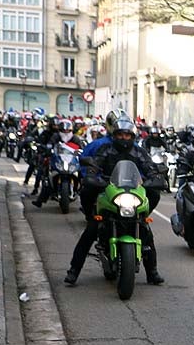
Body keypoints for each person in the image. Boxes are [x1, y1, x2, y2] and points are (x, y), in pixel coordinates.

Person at [64, 117, 166, 286]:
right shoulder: (106, 149)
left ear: (132, 136)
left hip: (132, 192)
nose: (124, 138)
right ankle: (73, 271)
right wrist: (91, 174)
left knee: (145, 228)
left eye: (127, 135)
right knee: (91, 229)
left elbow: (149, 167)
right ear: (114, 134)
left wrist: (155, 177)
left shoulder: (139, 152)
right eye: (120, 134)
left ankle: (152, 272)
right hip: (109, 190)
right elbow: (94, 164)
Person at [32, 119, 84, 208]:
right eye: (64, 130)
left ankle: (85, 204)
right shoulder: (55, 136)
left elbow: (82, 148)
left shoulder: (75, 138)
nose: (66, 131)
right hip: (58, 160)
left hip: (71, 161)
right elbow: (50, 144)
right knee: (46, 177)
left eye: (68, 130)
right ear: (60, 129)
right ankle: (40, 200)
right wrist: (48, 149)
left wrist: (82, 152)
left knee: (83, 177)